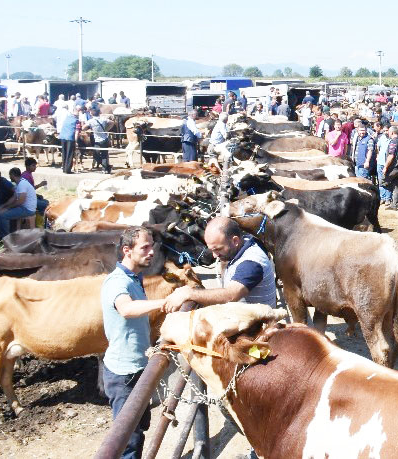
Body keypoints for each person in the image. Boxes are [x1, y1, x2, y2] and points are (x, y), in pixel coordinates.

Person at [101, 228, 166, 459]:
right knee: (129, 439)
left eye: (152, 246)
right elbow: (126, 309)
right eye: (144, 247)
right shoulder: (117, 282)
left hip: (137, 367)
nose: (151, 252)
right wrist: (165, 302)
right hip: (123, 374)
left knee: (139, 429)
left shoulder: (135, 278)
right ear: (126, 251)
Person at [163, 217, 276, 312]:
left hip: (256, 330)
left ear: (235, 241)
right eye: (211, 250)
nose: (214, 256)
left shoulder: (251, 263)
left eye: (218, 249)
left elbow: (231, 295)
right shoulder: (247, 242)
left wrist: (189, 293)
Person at [0, 167, 37, 236]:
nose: (9, 177)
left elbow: (20, 201)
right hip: (24, 207)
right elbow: (14, 197)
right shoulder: (20, 182)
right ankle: (11, 233)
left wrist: (7, 208)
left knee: (2, 216)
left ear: (12, 175)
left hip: (27, 210)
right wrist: (3, 206)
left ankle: (5, 237)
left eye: (10, 175)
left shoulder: (22, 184)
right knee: (0, 211)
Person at [382, 126, 398, 209]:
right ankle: (394, 204)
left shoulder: (393, 142)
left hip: (394, 167)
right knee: (396, 185)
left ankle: (387, 200)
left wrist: (385, 167)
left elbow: (391, 155)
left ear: (392, 133)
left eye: (389, 132)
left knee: (383, 181)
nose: (388, 133)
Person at [82, 109, 112, 174]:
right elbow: (112, 122)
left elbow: (83, 127)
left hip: (97, 140)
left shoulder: (90, 121)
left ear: (92, 114)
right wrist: (107, 129)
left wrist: (90, 129)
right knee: (104, 154)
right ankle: (105, 168)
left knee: (96, 154)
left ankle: (105, 169)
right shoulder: (103, 119)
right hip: (104, 138)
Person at [59, 106, 81, 174]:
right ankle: (68, 170)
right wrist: (76, 141)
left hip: (63, 136)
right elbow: (77, 132)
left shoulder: (67, 118)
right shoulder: (77, 121)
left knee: (64, 153)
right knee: (69, 153)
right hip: (70, 138)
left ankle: (64, 168)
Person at [375, 123, 392, 204]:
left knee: (387, 181)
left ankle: (388, 198)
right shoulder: (381, 137)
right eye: (384, 130)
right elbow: (378, 147)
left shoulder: (392, 140)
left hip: (388, 163)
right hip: (380, 162)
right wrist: (378, 155)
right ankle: (382, 197)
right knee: (381, 181)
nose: (385, 132)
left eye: (387, 130)